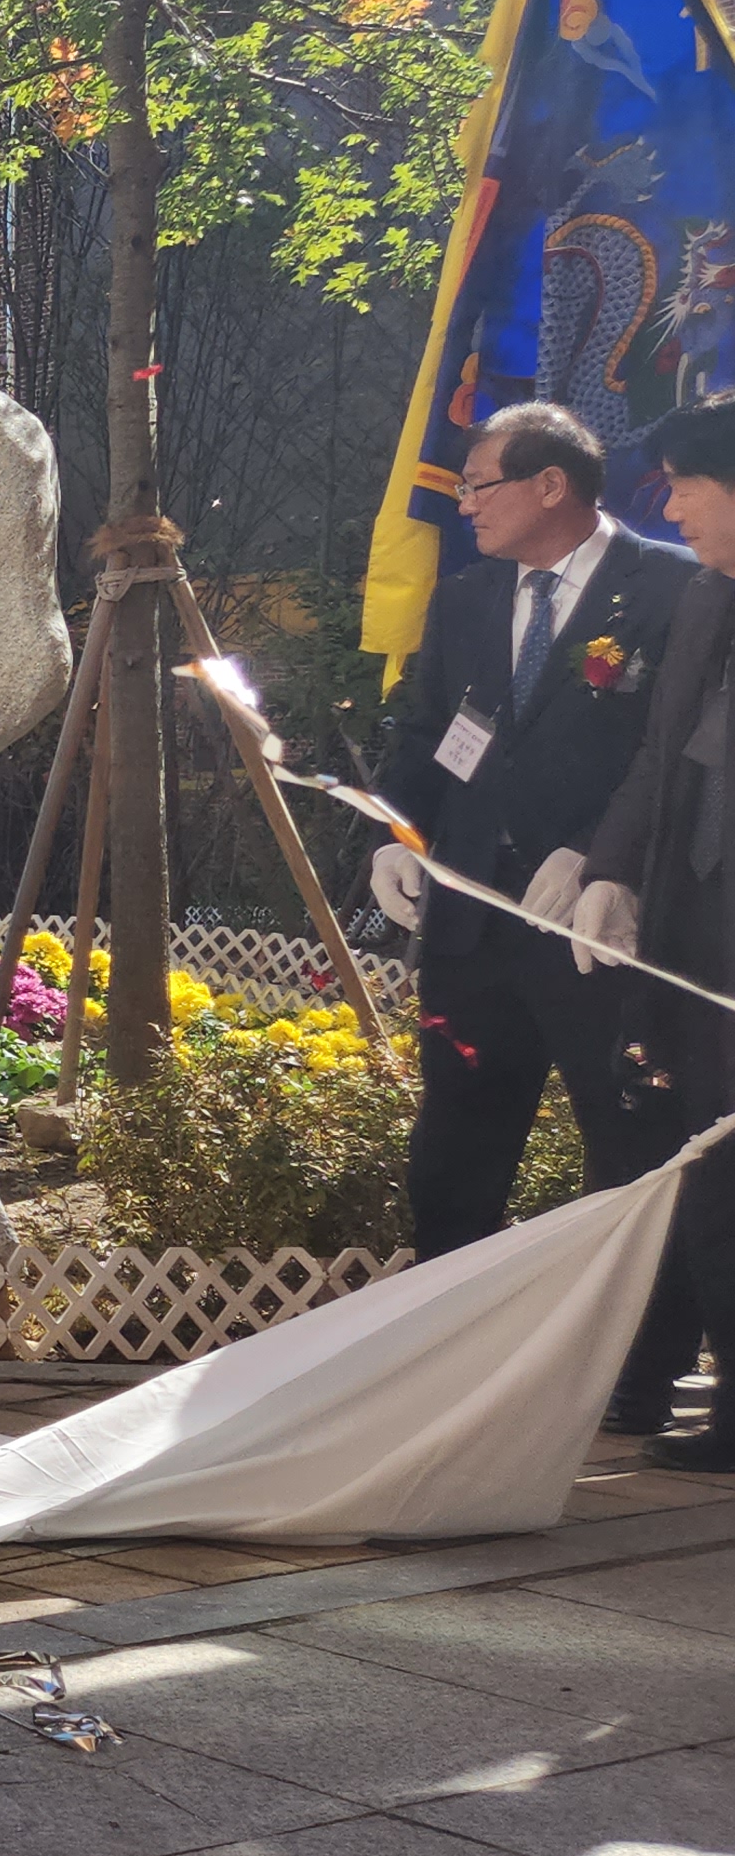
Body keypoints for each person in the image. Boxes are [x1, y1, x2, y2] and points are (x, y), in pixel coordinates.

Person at [376, 408, 694, 1313]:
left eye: (479, 483)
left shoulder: (672, 589)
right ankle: (440, 1338)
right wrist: (394, 837)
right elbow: (431, 735)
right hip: (471, 924)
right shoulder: (470, 596)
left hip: (598, 927)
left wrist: (603, 853)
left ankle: (630, 1370)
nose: (464, 503)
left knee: (627, 1141)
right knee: (456, 1148)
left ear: (549, 484)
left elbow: (670, 756)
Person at [573, 395, 735, 1473]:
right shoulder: (705, 601)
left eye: (685, 483)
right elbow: (657, 757)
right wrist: (607, 872)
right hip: (703, 927)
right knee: (714, 1167)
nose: (667, 505)